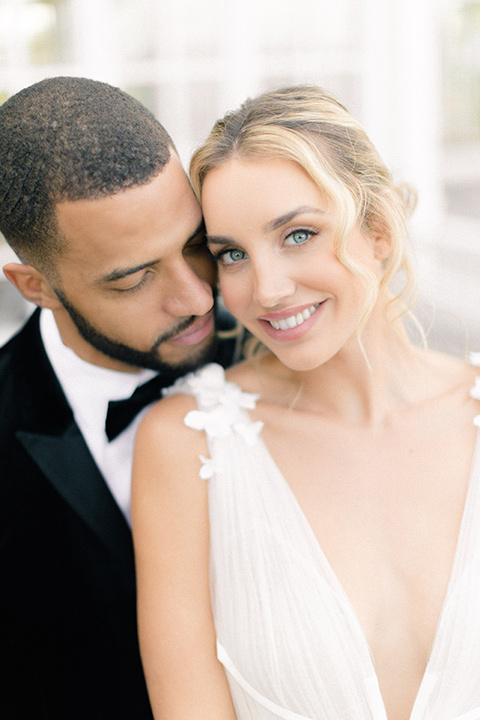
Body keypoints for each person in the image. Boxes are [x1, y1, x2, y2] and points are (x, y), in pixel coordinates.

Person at [132, 85, 480, 720]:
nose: (265, 288)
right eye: (232, 254)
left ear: (377, 229)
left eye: (297, 234)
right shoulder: (187, 444)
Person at [0, 76, 238, 719]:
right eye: (134, 278)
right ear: (35, 286)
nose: (196, 299)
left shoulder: (287, 353)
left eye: (197, 245)